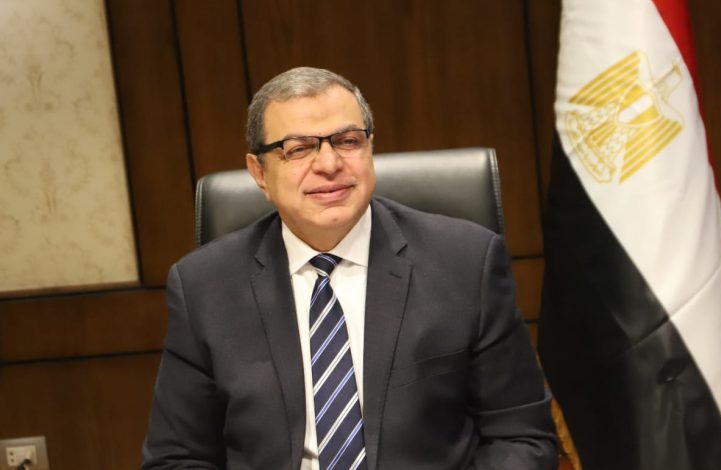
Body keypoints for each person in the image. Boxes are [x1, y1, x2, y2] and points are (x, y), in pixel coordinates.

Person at [142, 67, 558, 469]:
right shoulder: (204, 287)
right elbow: (176, 459)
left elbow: (522, 438)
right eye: (298, 148)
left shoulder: (465, 262)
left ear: (369, 147)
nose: (329, 164)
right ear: (259, 173)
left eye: (347, 141)